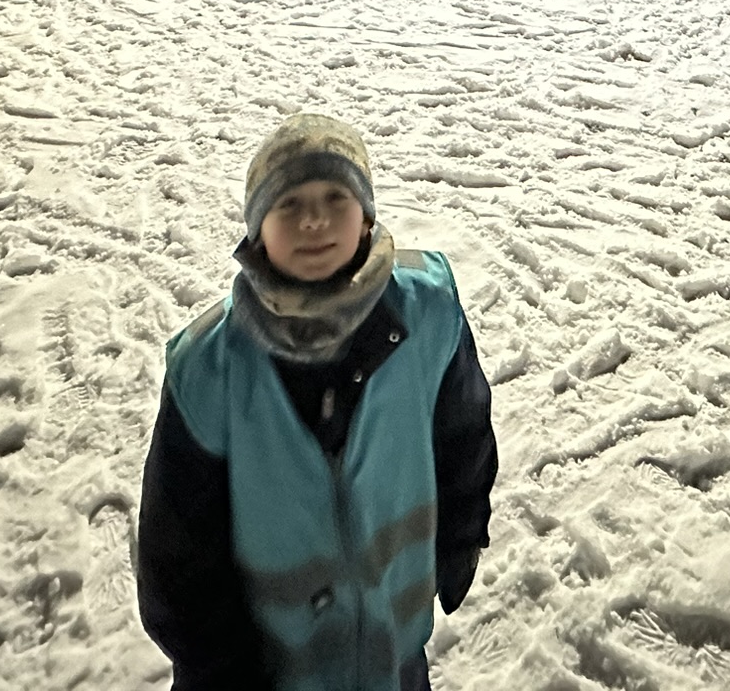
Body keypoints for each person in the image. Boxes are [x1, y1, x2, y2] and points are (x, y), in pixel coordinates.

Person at [137, 114, 497, 691]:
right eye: (288, 204)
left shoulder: (427, 314)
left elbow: (462, 434)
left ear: (367, 217)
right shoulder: (210, 369)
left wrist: (461, 536)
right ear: (256, 232)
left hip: (394, 652)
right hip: (267, 672)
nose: (314, 219)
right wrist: (222, 672)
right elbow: (177, 555)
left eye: (336, 195)